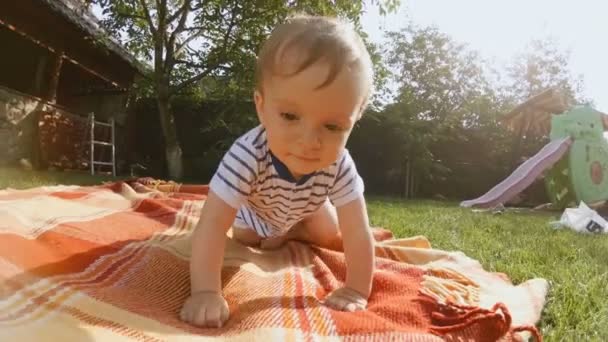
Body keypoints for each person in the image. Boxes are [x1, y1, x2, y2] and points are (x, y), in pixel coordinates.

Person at [180, 14, 376, 328]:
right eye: (289, 115)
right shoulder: (248, 154)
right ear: (261, 106)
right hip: (257, 214)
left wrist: (356, 288)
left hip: (307, 209)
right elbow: (213, 224)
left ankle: (293, 229)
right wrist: (205, 291)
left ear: (354, 122)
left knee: (331, 233)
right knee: (244, 236)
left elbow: (357, 230)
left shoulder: (339, 164)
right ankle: (284, 231)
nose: (309, 141)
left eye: (333, 126)